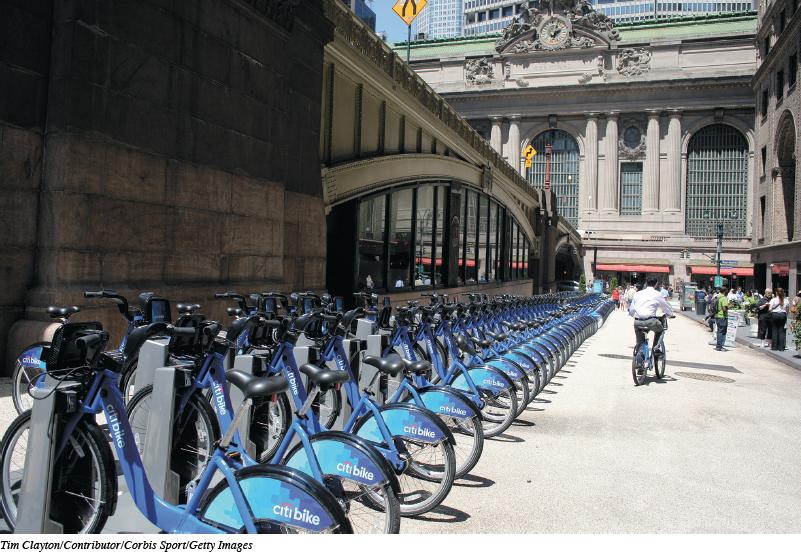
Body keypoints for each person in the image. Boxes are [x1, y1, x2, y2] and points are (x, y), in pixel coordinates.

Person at [628, 277, 675, 365]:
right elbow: (665, 306)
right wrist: (670, 314)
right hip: (650, 320)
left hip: (637, 322)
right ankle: (656, 348)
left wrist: (632, 314)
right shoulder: (657, 294)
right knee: (660, 330)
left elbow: (631, 309)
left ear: (646, 283)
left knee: (639, 342)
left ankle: (639, 364)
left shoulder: (638, 294)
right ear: (656, 284)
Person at [714, 286, 730, 351]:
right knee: (722, 332)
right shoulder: (724, 298)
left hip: (717, 316)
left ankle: (718, 345)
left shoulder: (717, 296)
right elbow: (724, 308)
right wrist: (729, 306)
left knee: (719, 331)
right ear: (725, 291)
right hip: (722, 317)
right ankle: (720, 346)